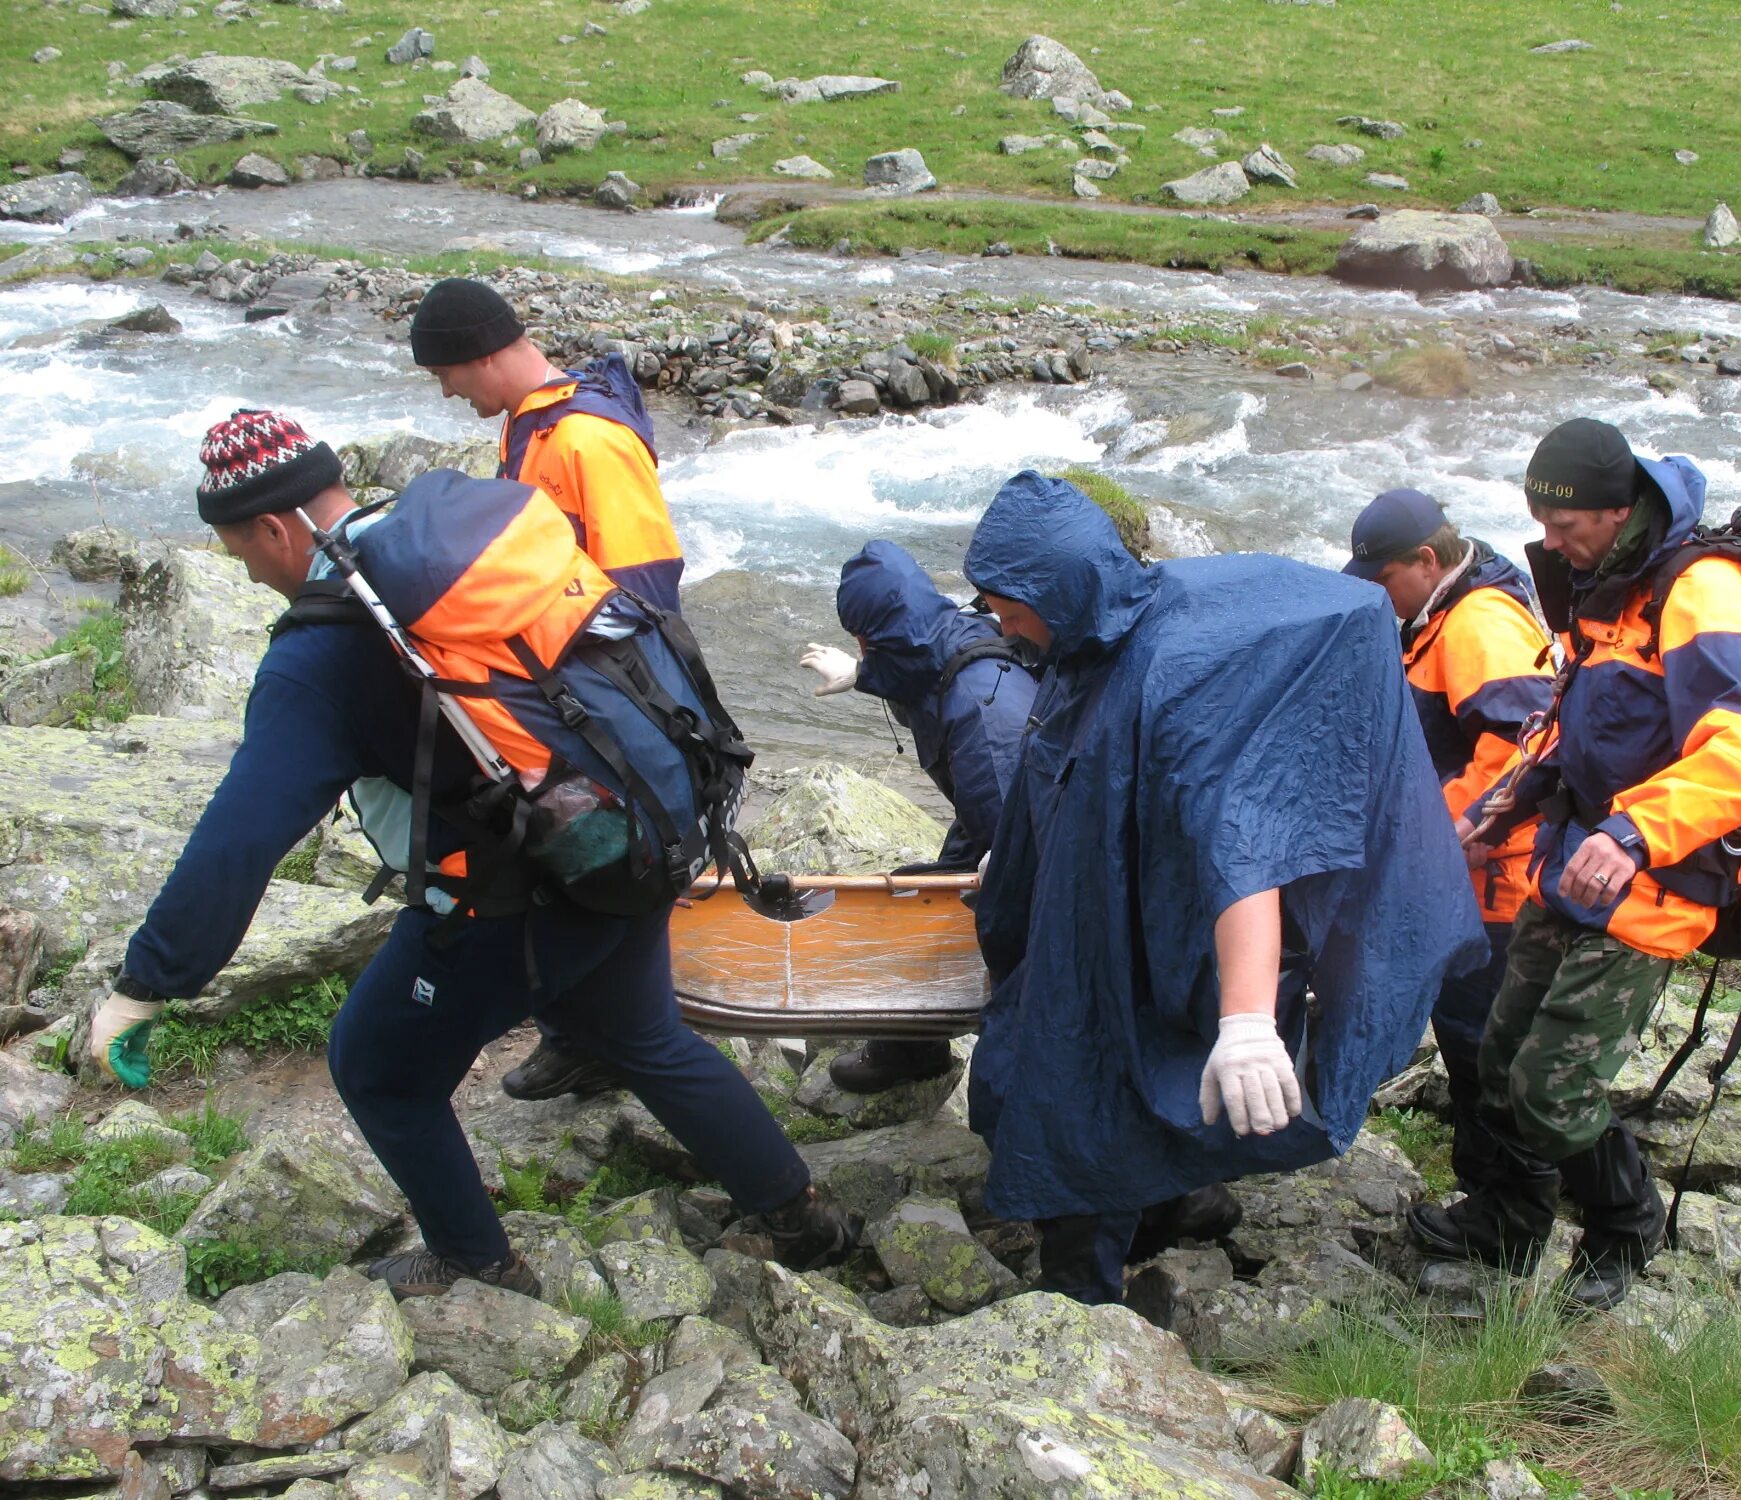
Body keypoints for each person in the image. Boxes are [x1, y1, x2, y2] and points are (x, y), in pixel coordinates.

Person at [81, 410, 859, 1298]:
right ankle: (805, 1219)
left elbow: (240, 837)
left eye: (238, 552)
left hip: (514, 897)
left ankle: (476, 1262)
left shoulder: (324, 650)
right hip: (628, 841)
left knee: (376, 1067)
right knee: (643, 1035)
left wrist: (146, 986)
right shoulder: (449, 545)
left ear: (272, 527)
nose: (245, 571)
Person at [962, 470, 1486, 1305]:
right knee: (1079, 1081)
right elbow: (1057, 762)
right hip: (1101, 914)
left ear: (1060, 587)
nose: (996, 619)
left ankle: (1085, 1314)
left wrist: (1246, 1022)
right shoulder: (1080, 644)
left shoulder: (1168, 671)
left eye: (1004, 601)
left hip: (1155, 927)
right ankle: (1176, 1207)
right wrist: (1028, 848)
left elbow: (1242, 843)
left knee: (1079, 1098)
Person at [1406, 418, 1741, 1310]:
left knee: (1550, 1087)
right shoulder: (1605, 582)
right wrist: (1496, 812)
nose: (1547, 540)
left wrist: (1632, 834)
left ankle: (1626, 1228)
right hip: (1566, 864)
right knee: (1499, 1062)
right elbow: (1569, 722)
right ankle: (1509, 1222)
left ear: (1619, 510)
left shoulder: (1700, 591)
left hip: (1651, 888)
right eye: (1538, 520)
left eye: (1563, 521)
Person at [409, 276, 684, 1102]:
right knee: (561, 852)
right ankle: (585, 1030)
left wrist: (614, 708)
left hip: (600, 696)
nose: (447, 390)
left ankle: (618, 1035)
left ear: (486, 353)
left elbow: (645, 586)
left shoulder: (586, 442)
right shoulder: (529, 430)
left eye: (448, 372)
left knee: (612, 850)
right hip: (555, 692)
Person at [1343, 490, 1553, 1192]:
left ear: (1426, 560)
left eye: (1383, 581)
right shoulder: (1447, 611)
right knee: (1473, 1042)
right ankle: (1491, 1197)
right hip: (1470, 876)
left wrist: (1439, 831)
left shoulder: (1478, 627)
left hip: (1495, 886)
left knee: (1480, 1045)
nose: (1379, 596)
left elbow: (1524, 753)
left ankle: (1502, 1216)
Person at [796, 539, 1038, 1093]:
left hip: (1028, 836)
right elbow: (917, 670)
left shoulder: (982, 711)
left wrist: (992, 891)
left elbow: (1023, 854)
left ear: (867, 632)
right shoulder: (947, 631)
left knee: (940, 911)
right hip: (993, 811)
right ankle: (916, 1048)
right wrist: (862, 674)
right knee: (911, 892)